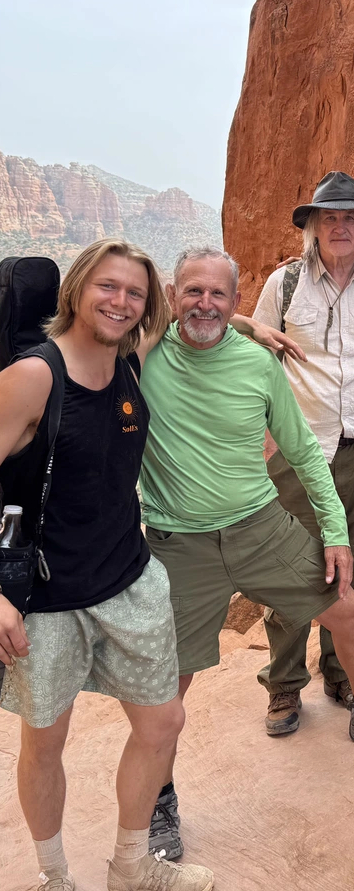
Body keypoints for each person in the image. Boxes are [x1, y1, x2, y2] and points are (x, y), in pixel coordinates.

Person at [137, 247, 354, 854]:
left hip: (259, 525)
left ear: (236, 300)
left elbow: (301, 451)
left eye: (219, 295)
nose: (205, 304)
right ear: (171, 295)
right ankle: (158, 798)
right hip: (179, 541)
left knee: (349, 612)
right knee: (168, 686)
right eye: (192, 292)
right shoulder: (142, 360)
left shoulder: (255, 364)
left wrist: (332, 529)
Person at [0, 240, 215, 891]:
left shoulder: (127, 359)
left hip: (129, 577)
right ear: (78, 289)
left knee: (162, 722)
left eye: (135, 293)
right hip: (47, 597)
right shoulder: (33, 376)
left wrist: (252, 324)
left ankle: (130, 864)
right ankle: (53, 876)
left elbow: (187, 316)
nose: (121, 302)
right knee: (45, 741)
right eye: (108, 287)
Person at [251, 173, 354, 731]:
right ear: (313, 226)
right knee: (291, 569)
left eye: (351, 217)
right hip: (300, 450)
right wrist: (267, 438)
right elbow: (257, 359)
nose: (341, 226)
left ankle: (344, 674)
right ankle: (285, 686)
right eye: (329, 217)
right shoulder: (286, 284)